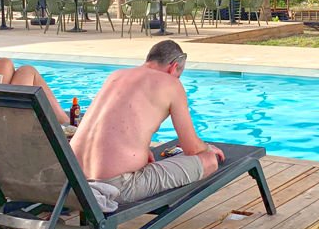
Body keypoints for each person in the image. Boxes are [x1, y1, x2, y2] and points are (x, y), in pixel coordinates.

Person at [71, 40, 224, 205]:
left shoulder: (116, 76)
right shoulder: (171, 83)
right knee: (209, 160)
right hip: (115, 186)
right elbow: (192, 148)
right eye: (178, 75)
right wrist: (207, 148)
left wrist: (142, 150)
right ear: (173, 67)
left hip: (73, 178)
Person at [0, 58, 70, 124]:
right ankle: (65, 123)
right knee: (27, 70)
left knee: (3, 63)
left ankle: (65, 122)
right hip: (14, 127)